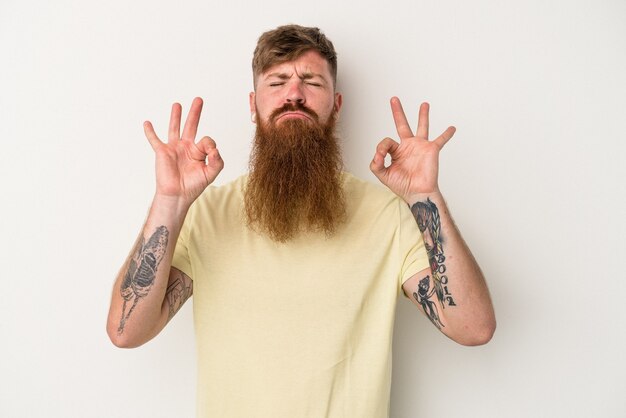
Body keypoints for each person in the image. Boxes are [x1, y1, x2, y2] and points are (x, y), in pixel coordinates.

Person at [107, 24, 495, 417]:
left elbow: (473, 328)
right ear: (252, 105)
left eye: (312, 82)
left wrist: (425, 197)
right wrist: (169, 201)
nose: (294, 94)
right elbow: (126, 332)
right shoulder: (206, 216)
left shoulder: (385, 216)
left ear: (336, 105)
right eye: (277, 82)